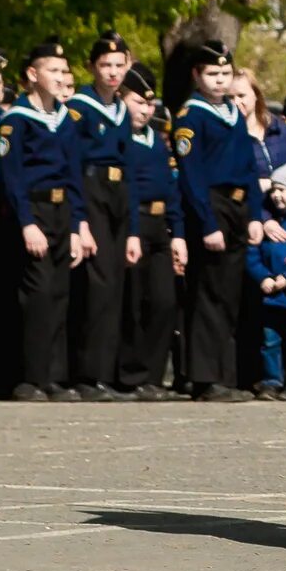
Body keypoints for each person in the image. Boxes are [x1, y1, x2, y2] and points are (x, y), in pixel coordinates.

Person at [0, 40, 93, 403]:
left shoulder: (65, 119)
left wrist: (77, 225)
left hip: (61, 211)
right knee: (35, 294)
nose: (60, 77)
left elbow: (74, 176)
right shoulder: (17, 120)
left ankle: (53, 376)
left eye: (64, 71)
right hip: (33, 211)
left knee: (58, 293)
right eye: (53, 70)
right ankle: (29, 377)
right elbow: (12, 176)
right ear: (33, 75)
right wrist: (26, 223)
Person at [170, 39, 264, 402]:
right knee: (208, 293)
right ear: (197, 75)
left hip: (239, 206)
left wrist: (254, 214)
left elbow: (249, 168)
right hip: (211, 205)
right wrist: (207, 223)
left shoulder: (232, 113)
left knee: (229, 294)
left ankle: (225, 373)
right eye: (212, 74)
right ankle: (204, 377)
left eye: (225, 73)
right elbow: (191, 177)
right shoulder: (190, 116)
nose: (220, 81)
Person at [67, 33, 136, 399]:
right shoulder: (80, 107)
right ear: (92, 67)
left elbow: (130, 167)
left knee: (114, 289)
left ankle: (106, 374)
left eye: (119, 65)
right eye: (105, 65)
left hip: (119, 196)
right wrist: (80, 221)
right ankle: (86, 373)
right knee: (96, 289)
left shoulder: (122, 109)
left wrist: (134, 229)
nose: (112, 72)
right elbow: (73, 166)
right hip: (91, 192)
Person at [116, 69, 186, 397]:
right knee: (133, 301)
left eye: (149, 104)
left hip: (160, 226)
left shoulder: (156, 141)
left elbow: (171, 189)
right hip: (134, 223)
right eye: (137, 102)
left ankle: (153, 376)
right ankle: (131, 374)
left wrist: (178, 234)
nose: (145, 110)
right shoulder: (121, 138)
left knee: (163, 300)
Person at [250, 174, 286, 400]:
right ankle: (272, 381)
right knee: (270, 342)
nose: (276, 195)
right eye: (273, 189)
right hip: (270, 297)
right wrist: (263, 277)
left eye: (283, 189)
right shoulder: (269, 226)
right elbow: (252, 255)